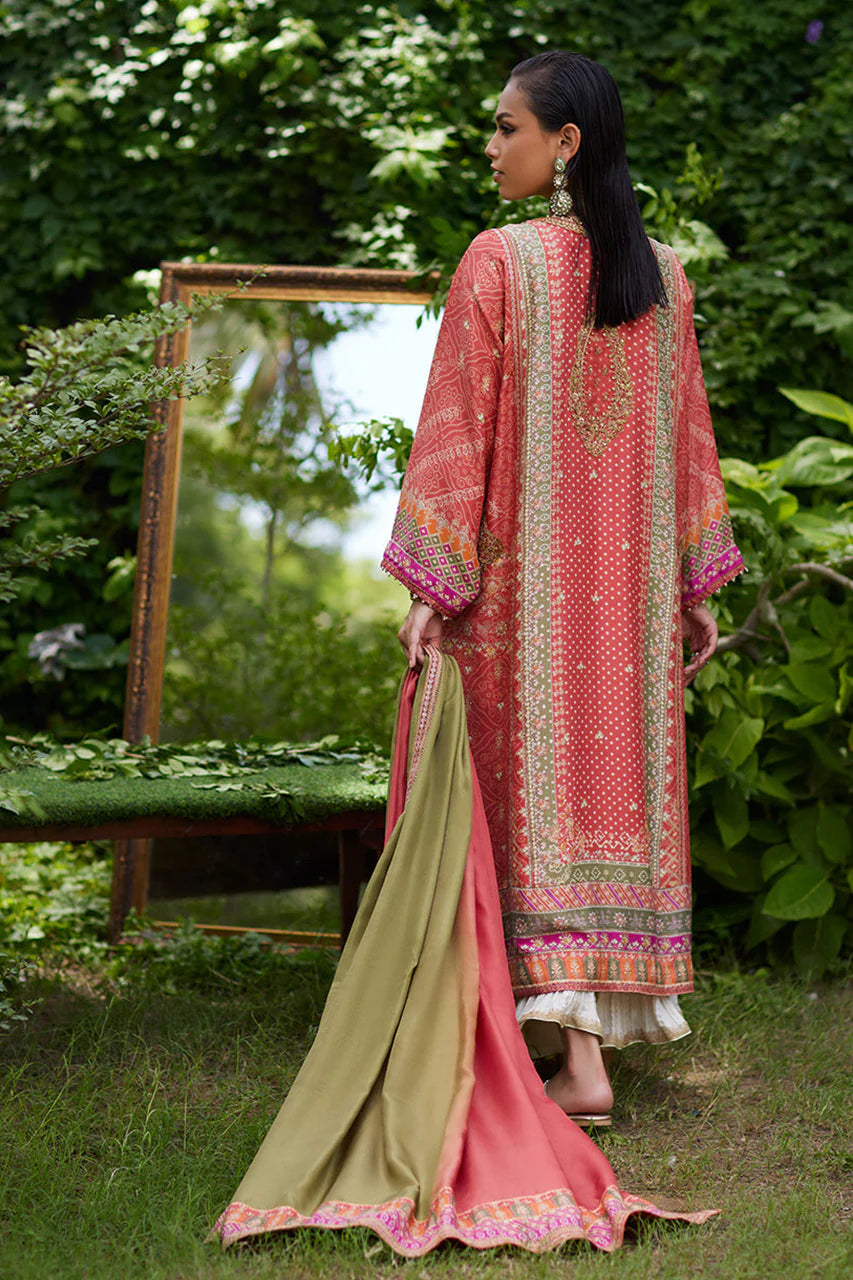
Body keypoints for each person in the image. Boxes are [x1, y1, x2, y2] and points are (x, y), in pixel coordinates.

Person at [383, 50, 745, 1122]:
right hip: (625, 608)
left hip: (518, 607)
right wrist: (692, 581)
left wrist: (431, 585)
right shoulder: (663, 273)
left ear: (564, 144)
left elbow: (456, 431)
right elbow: (689, 441)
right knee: (595, 796)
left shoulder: (499, 262)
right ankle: (581, 1046)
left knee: (517, 797)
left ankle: (573, 1061)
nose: (492, 148)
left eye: (506, 128)